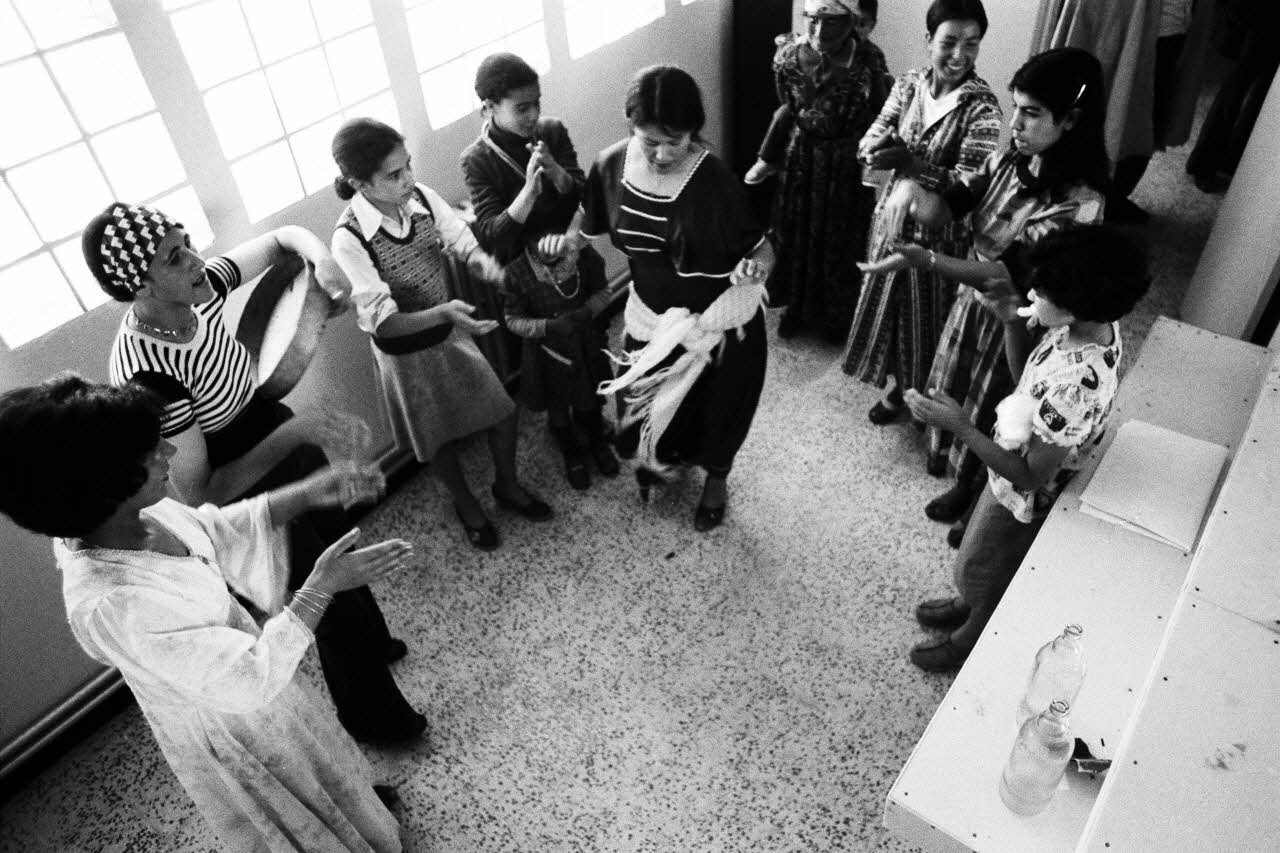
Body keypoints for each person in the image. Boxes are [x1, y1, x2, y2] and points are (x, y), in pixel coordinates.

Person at [0, 375, 412, 851]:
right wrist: (321, 587)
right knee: (290, 797)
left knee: (317, 762)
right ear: (100, 485)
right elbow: (247, 679)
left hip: (256, 685)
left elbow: (213, 530)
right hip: (230, 725)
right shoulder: (113, 604)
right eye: (151, 452)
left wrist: (310, 491)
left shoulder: (136, 514)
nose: (170, 455)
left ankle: (354, 815)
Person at [83, 202, 426, 744]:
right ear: (140, 286)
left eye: (188, 242)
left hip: (271, 429)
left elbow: (283, 236)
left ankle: (375, 644)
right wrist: (298, 431)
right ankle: (374, 720)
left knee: (343, 543)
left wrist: (324, 263)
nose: (197, 261)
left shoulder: (200, 287)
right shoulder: (147, 374)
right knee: (327, 600)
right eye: (175, 257)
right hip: (243, 479)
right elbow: (202, 493)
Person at [860, 47, 1109, 543]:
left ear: (1072, 119)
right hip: (976, 306)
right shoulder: (1010, 159)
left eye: (1032, 112)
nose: (1015, 122)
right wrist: (910, 187)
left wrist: (924, 259)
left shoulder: (1079, 203)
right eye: (1015, 107)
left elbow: (1007, 272)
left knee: (1004, 416)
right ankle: (965, 489)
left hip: (1021, 324)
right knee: (971, 402)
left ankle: (977, 502)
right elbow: (949, 206)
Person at [902, 224, 1149, 670]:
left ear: (1080, 304)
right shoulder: (1086, 325)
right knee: (976, 559)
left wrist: (960, 426)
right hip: (1006, 471)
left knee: (989, 571)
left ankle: (971, 635)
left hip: (1026, 496)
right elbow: (1027, 385)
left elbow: (1033, 475)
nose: (1033, 291)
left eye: (1045, 290)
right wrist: (1009, 323)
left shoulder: (1077, 388)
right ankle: (969, 602)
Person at [547, 65, 775, 532]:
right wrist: (567, 247)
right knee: (639, 406)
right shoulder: (611, 165)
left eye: (677, 140)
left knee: (720, 409)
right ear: (629, 125)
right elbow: (586, 226)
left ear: (695, 130)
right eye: (649, 140)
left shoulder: (713, 180)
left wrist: (758, 266)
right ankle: (661, 456)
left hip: (716, 322)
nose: (663, 152)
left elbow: (762, 244)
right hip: (651, 317)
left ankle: (716, 480)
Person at [330, 117, 552, 552]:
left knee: (502, 412)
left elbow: (463, 245)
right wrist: (446, 312)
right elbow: (384, 322)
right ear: (360, 184)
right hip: (403, 351)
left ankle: (506, 485)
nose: (409, 179)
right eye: (394, 175)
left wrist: (494, 272)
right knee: (435, 438)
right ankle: (466, 503)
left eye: (408, 165)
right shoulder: (349, 239)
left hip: (447, 331)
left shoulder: (423, 199)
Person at [460, 52, 618, 491]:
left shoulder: (552, 131)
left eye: (537, 104)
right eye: (521, 108)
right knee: (550, 364)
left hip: (572, 256)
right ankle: (566, 436)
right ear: (489, 108)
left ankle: (594, 423)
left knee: (589, 348)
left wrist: (555, 173)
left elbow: (583, 194)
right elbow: (493, 235)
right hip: (528, 278)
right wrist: (529, 191)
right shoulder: (476, 160)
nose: (534, 116)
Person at [842, 0, 1002, 426]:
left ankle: (931, 405)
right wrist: (877, 149)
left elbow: (970, 184)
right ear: (928, 40)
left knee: (931, 323)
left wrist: (913, 168)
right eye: (948, 42)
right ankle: (900, 390)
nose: (959, 55)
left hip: (940, 234)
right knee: (892, 312)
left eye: (972, 44)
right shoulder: (909, 84)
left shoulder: (982, 109)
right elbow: (870, 138)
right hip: (893, 219)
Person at [745, 0, 890, 342]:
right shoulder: (788, 58)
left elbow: (880, 110)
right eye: (813, 19)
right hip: (802, 159)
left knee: (839, 238)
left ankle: (835, 319)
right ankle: (797, 310)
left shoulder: (869, 61)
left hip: (845, 163)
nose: (820, 31)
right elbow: (788, 105)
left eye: (833, 22)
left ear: (851, 21)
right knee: (796, 232)